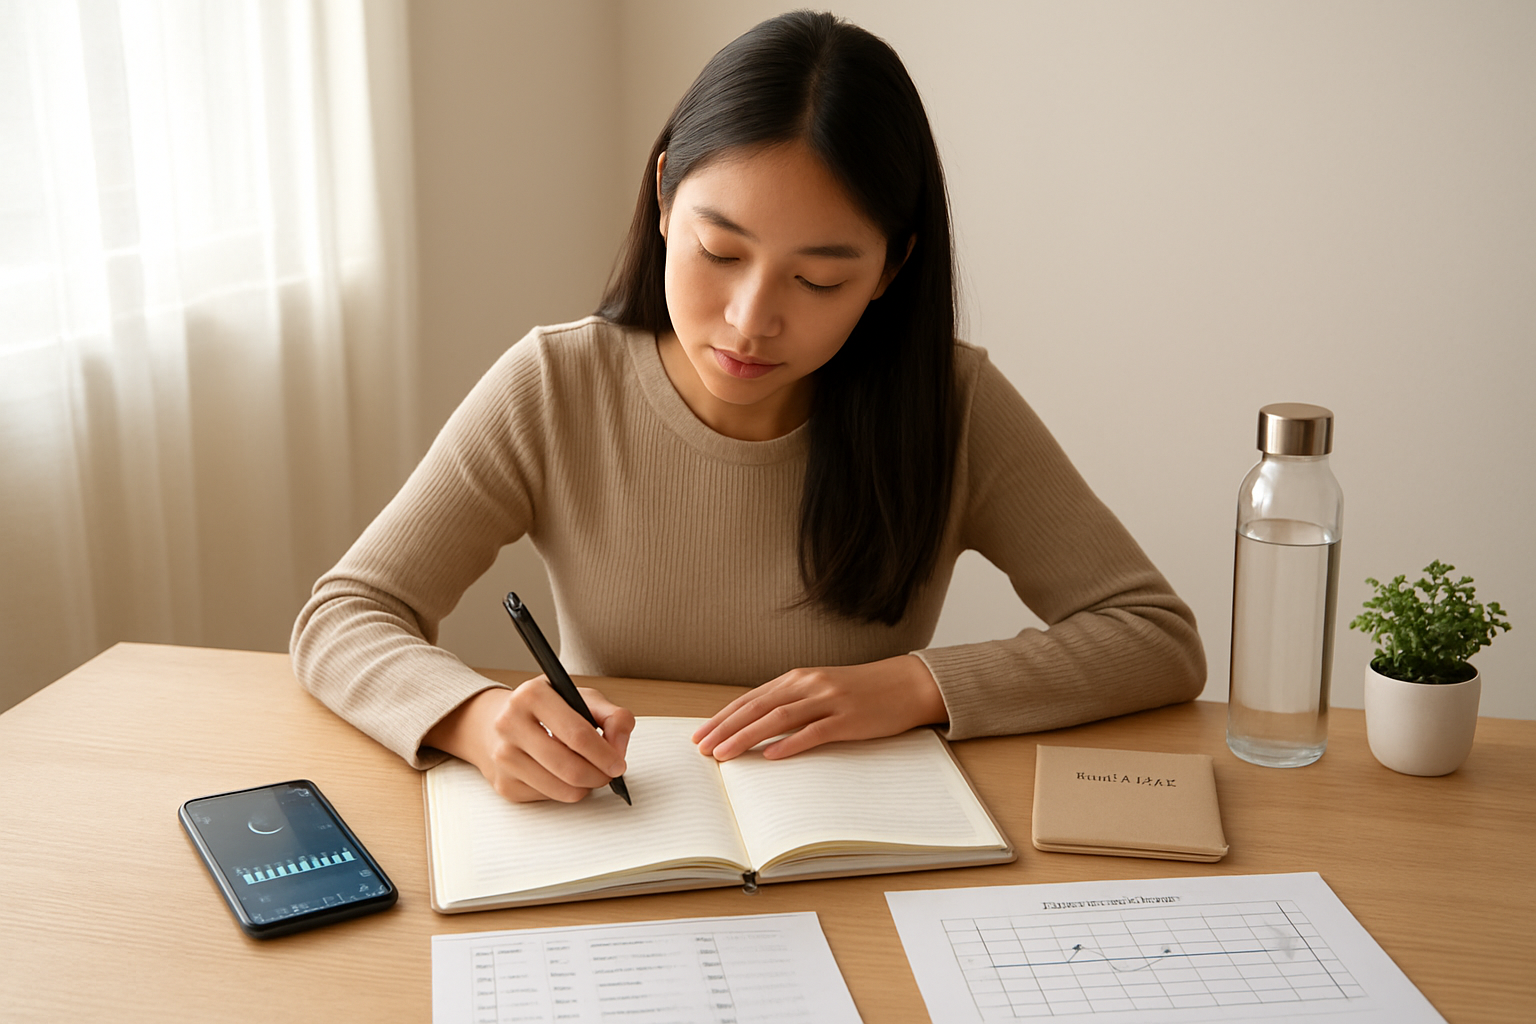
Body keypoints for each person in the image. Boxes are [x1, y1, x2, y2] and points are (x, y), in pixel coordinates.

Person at [291, 11, 1205, 805]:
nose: (750, 320)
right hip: (624, 832)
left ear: (889, 270)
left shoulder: (950, 405)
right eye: (720, 253)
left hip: (852, 847)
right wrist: (474, 717)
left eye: (819, 280)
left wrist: (915, 686)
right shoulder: (555, 386)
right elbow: (346, 614)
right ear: (663, 199)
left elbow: (1153, 636)